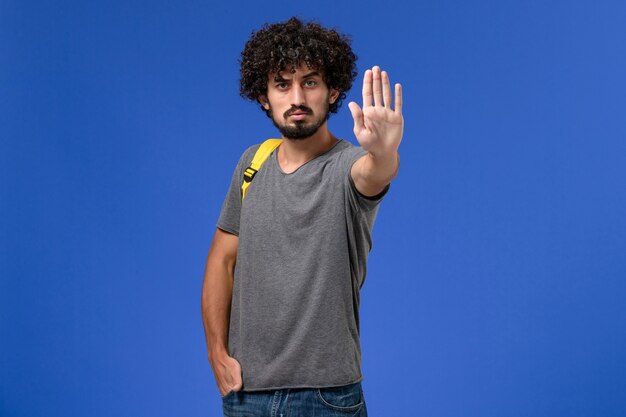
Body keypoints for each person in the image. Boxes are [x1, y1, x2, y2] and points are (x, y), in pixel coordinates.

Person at [201, 16, 403, 416]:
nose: (296, 97)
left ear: (333, 91)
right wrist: (217, 354)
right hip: (246, 395)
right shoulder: (251, 163)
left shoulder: (349, 166)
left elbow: (375, 173)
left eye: (310, 82)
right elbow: (222, 261)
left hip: (327, 398)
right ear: (264, 95)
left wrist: (384, 152)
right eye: (282, 84)